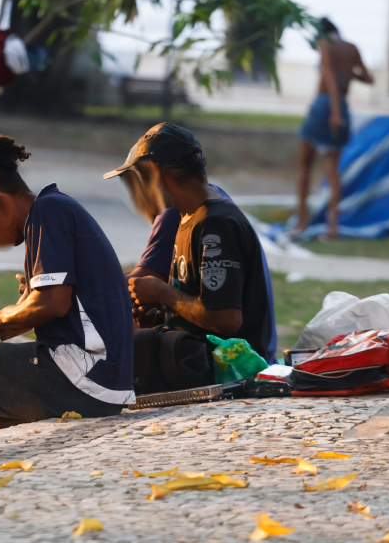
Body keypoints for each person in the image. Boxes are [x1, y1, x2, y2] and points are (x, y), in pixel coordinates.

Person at [0, 135, 135, 442]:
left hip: (88, 377)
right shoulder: (48, 216)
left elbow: (53, 303)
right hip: (99, 377)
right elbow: (43, 307)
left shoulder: (49, 212)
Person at [103, 123, 275, 392]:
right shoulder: (188, 217)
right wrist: (162, 317)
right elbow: (197, 301)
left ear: (155, 173)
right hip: (200, 355)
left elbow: (227, 320)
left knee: (113, 352)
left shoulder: (215, 225)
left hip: (229, 366)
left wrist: (162, 293)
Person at [295, 17, 374, 238]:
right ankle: (333, 226)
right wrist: (349, 74)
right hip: (343, 105)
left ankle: (302, 221)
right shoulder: (352, 48)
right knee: (333, 171)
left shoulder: (325, 45)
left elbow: (328, 77)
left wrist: (334, 112)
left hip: (324, 105)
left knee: (305, 165)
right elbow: (369, 78)